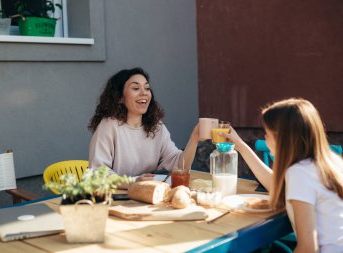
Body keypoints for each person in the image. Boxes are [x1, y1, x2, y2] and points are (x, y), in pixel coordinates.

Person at [222, 98, 343, 253]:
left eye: (266, 133)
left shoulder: (300, 173)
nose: (264, 138)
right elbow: (276, 185)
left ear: (281, 137)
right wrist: (240, 146)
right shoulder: (328, 163)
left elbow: (308, 248)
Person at [88, 67, 199, 183]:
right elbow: (97, 173)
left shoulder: (156, 127)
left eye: (147, 88)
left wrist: (195, 137)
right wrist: (132, 182)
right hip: (116, 198)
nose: (144, 93)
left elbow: (180, 166)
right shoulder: (108, 126)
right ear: (119, 97)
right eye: (136, 88)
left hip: (145, 195)